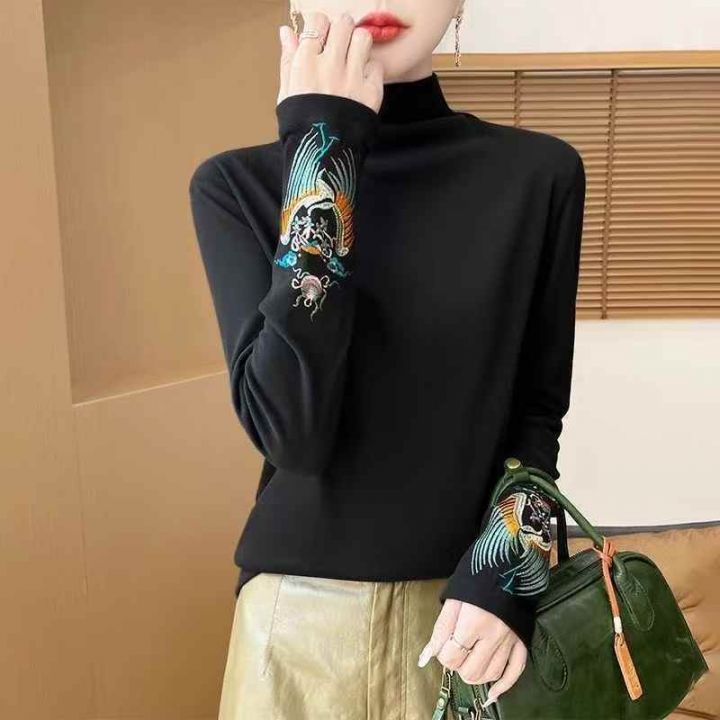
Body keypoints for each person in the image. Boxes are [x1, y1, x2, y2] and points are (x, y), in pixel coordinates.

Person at [188, 2, 586, 718]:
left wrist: (508, 575)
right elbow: (292, 434)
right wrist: (325, 145)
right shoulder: (234, 185)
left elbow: (536, 415)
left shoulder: (539, 175)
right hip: (294, 634)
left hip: (468, 627)